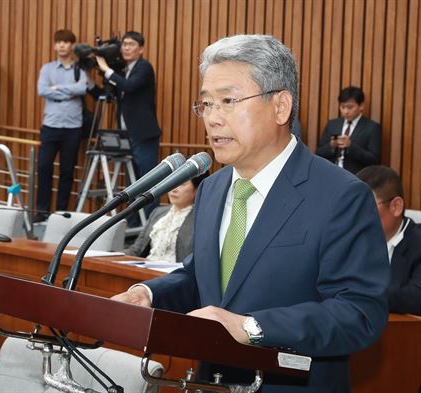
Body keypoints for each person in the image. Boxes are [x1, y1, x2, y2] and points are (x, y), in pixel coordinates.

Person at [112, 34, 389, 392]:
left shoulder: (340, 195)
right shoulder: (212, 188)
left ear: (280, 106)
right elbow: (203, 278)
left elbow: (359, 312)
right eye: (206, 104)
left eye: (228, 101)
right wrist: (148, 295)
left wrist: (252, 328)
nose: (212, 119)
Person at [93, 31, 161, 220]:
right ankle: (133, 226)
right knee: (132, 184)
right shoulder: (124, 70)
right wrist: (92, 83)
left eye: (131, 44)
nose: (126, 48)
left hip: (143, 134)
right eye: (124, 44)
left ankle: (148, 229)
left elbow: (129, 87)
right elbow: (112, 94)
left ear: (141, 49)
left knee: (148, 181)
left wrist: (106, 69)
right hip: (125, 135)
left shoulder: (144, 67)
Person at [33, 29, 87, 221]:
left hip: (73, 126)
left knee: (67, 170)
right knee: (45, 167)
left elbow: (83, 88)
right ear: (55, 45)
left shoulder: (79, 68)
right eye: (59, 42)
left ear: (72, 45)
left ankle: (60, 212)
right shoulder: (47, 68)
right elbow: (42, 90)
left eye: (66, 42)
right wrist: (69, 93)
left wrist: (56, 89)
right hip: (51, 124)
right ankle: (41, 211)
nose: (62, 45)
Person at [356, 165, 421, 316]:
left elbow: (416, 297)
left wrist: (359, 295)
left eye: (365, 207)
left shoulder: (417, 244)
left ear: (396, 207)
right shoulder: (352, 241)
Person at [124, 171, 209, 263]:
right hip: (146, 268)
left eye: (181, 185)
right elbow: (136, 249)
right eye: (172, 183)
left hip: (175, 273)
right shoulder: (158, 212)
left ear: (196, 190)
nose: (174, 189)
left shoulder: (201, 219)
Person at [316, 86, 381, 174]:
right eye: (342, 107)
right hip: (331, 174)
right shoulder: (333, 124)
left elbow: (374, 160)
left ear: (361, 106)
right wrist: (331, 146)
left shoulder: (372, 128)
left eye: (350, 107)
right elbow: (318, 153)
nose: (345, 111)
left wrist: (351, 147)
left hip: (356, 177)